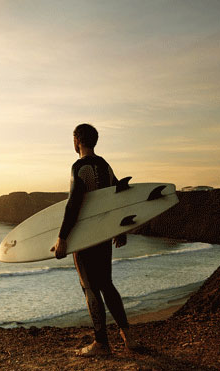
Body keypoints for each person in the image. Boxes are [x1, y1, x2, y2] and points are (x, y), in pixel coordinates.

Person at [51, 123, 139, 357]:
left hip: (85, 236)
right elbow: (117, 197)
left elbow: (74, 204)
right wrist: (119, 230)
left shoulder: (79, 167)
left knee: (89, 287)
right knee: (107, 284)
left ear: (77, 141)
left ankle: (101, 344)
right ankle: (128, 337)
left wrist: (62, 237)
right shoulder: (105, 165)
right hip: (103, 236)